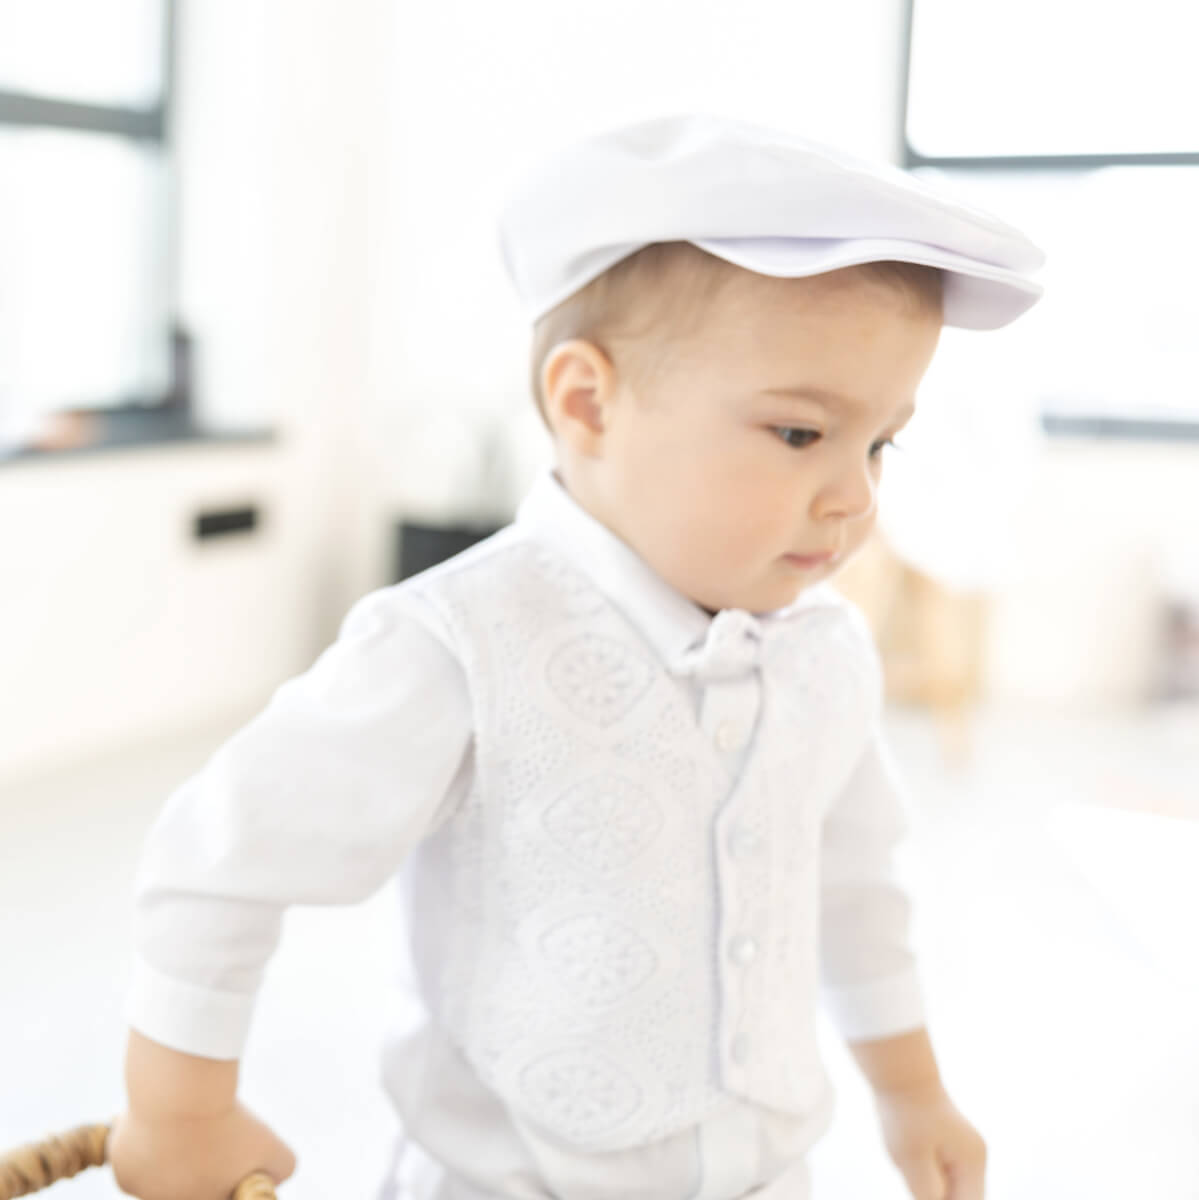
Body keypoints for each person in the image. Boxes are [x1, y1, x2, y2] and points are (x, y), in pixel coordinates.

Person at [108, 113, 1045, 1200]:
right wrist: (179, 1112)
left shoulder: (825, 654)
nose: (854, 496)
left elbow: (855, 889)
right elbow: (219, 860)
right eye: (800, 434)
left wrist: (912, 1093)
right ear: (587, 403)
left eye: (880, 441)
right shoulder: (460, 643)